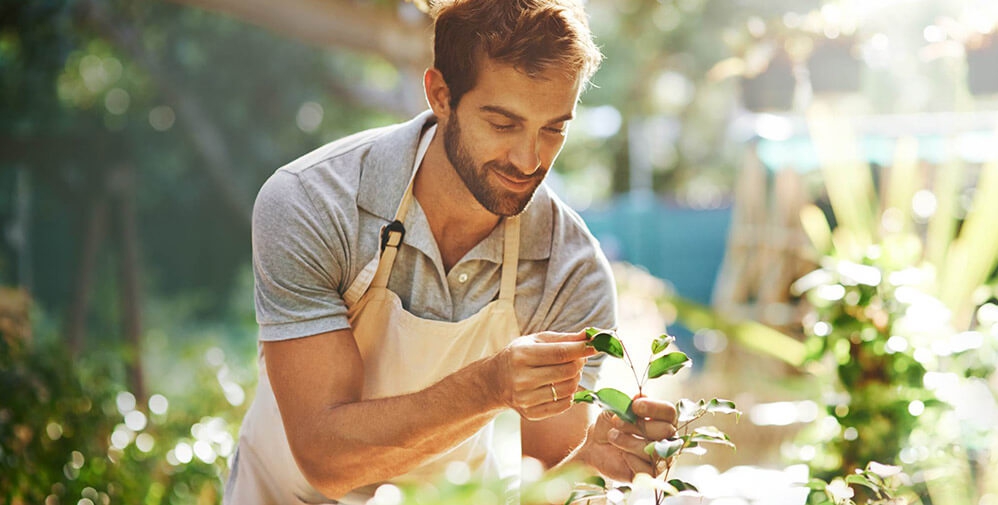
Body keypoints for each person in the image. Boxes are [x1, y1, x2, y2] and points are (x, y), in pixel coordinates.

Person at [224, 0, 678, 503]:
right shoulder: (313, 202)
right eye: (503, 124)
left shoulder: (569, 271)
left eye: (553, 129)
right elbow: (326, 462)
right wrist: (489, 386)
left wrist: (589, 460)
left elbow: (543, 485)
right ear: (441, 95)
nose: (530, 160)